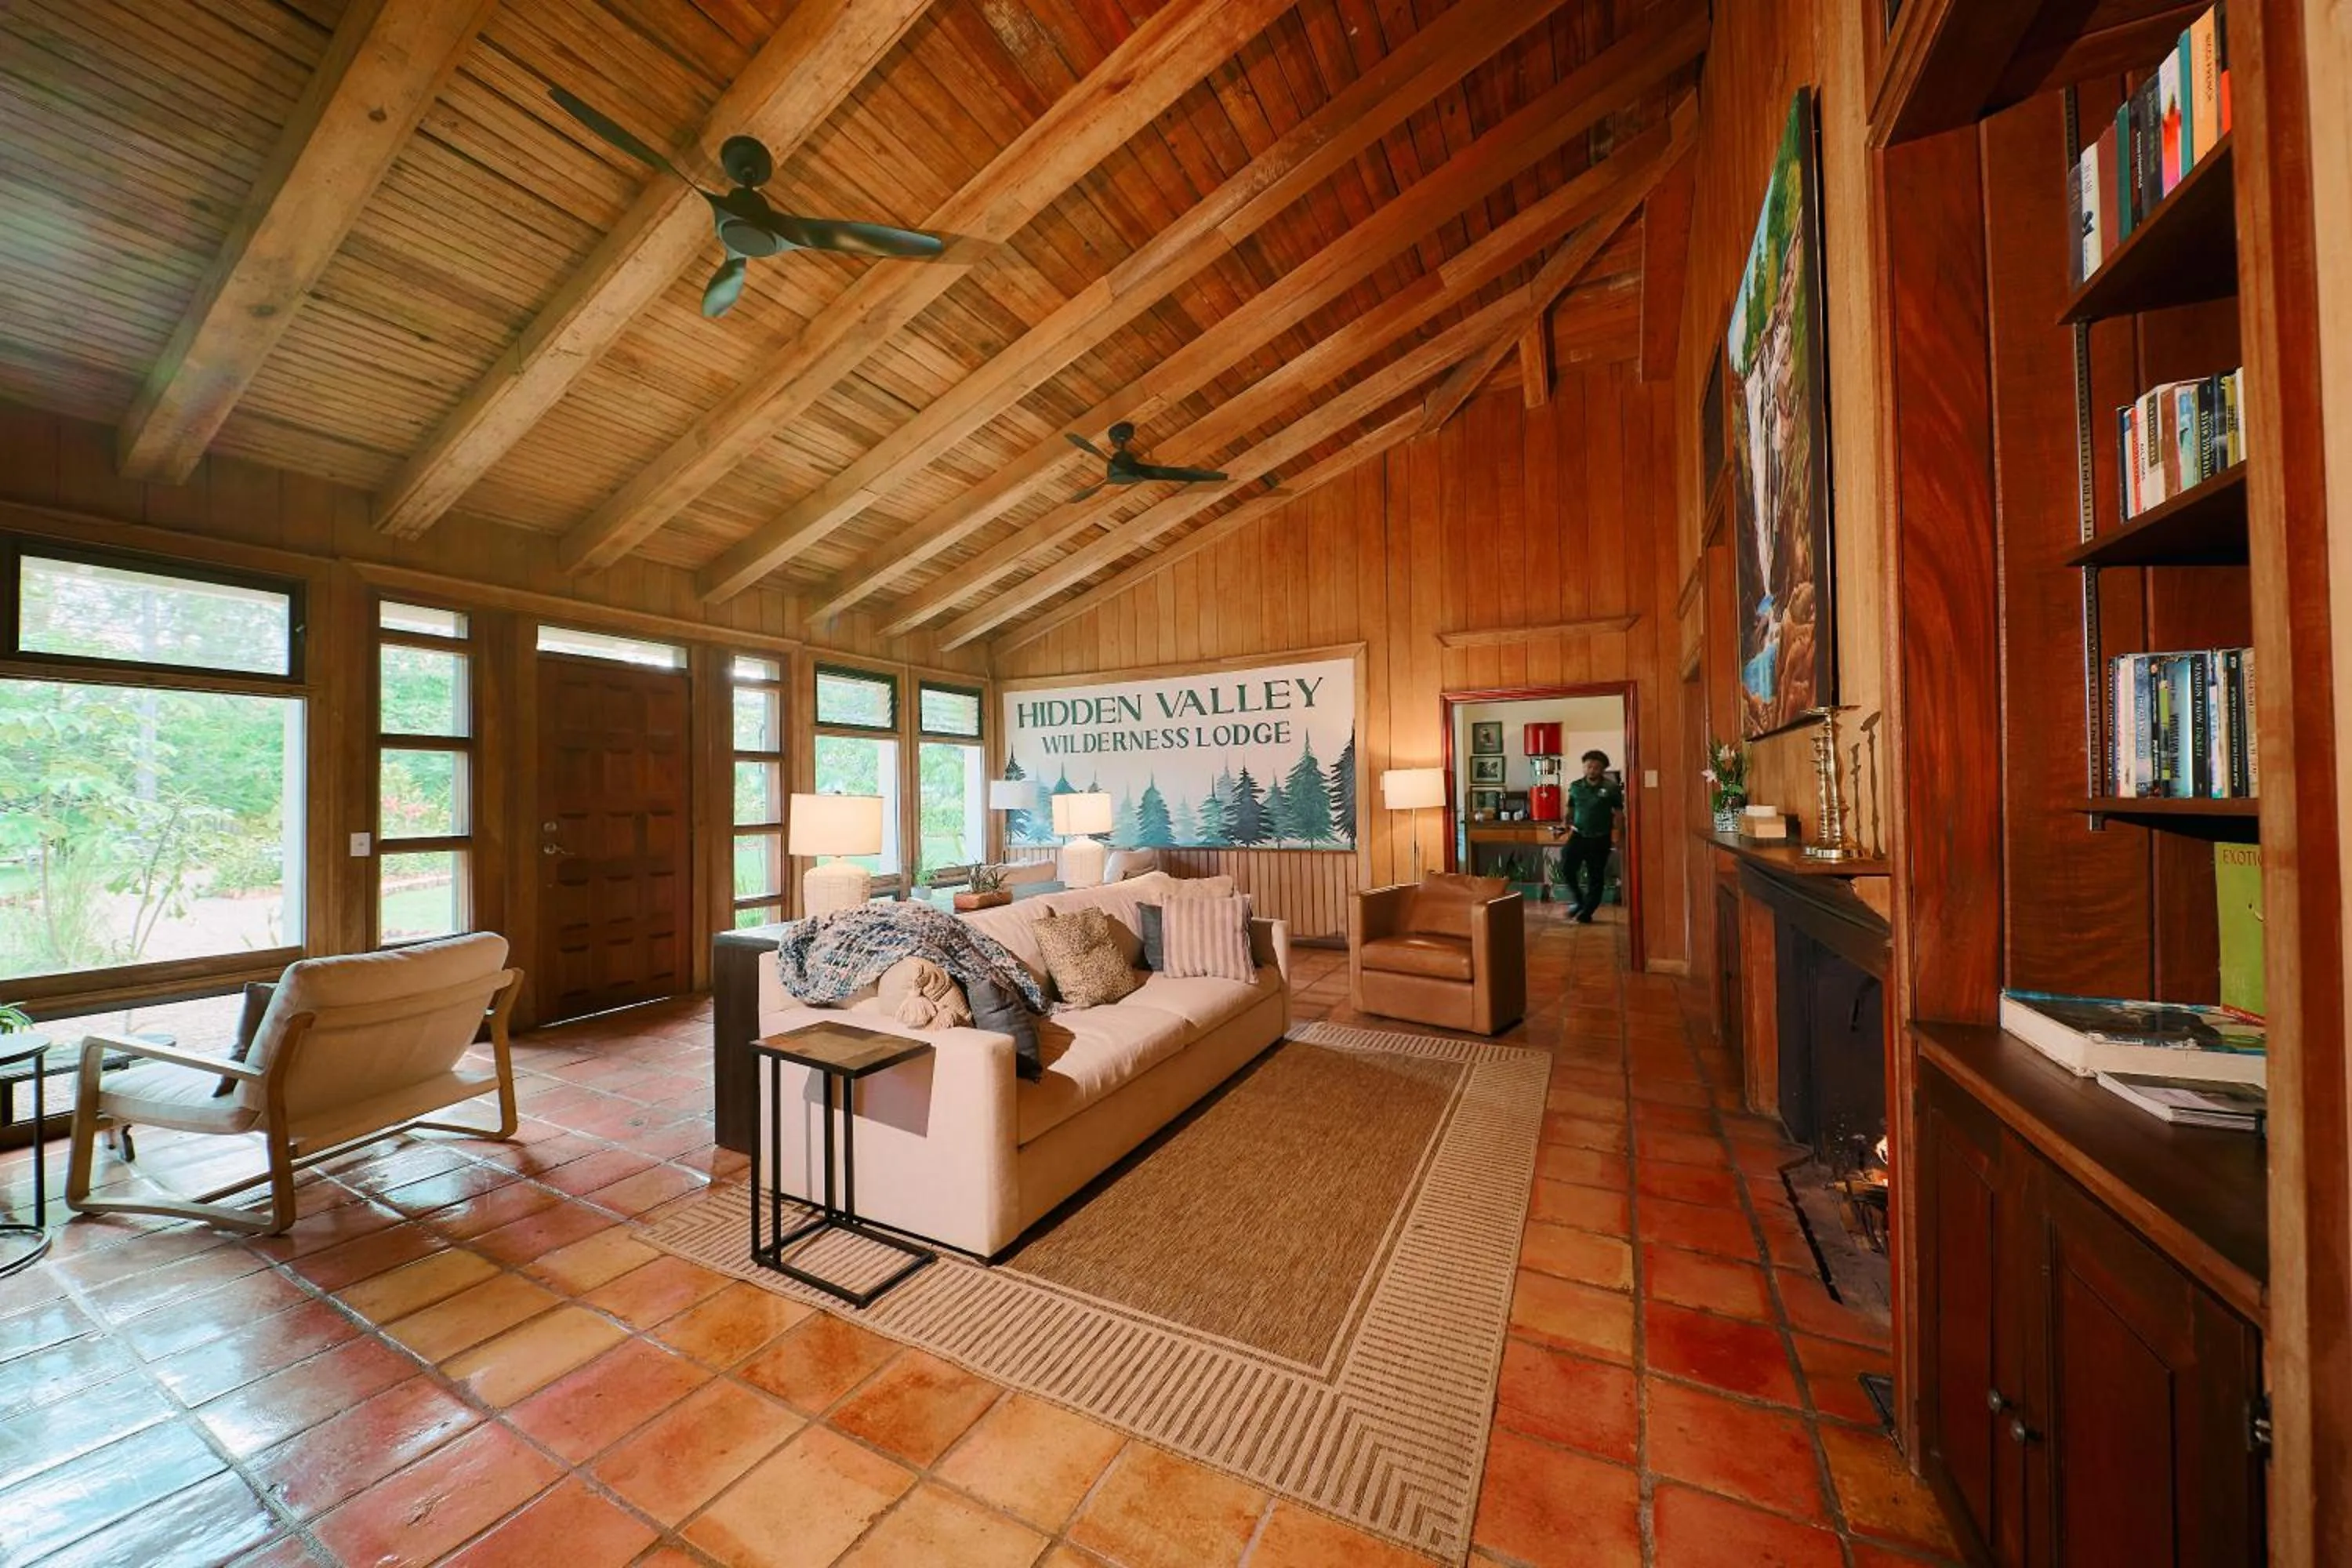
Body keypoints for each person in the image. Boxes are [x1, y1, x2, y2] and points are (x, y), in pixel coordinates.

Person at [1561, 750, 1624, 924]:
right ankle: (1579, 900)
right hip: (1579, 835)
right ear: (1584, 767)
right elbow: (1571, 809)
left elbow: (1619, 813)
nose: (1592, 770)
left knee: (1595, 876)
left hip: (1600, 838)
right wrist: (1565, 824)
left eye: (1596, 767)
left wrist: (1618, 834)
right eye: (1589, 766)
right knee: (1567, 868)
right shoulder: (1575, 786)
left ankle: (1587, 912)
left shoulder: (1611, 788)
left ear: (1603, 769)